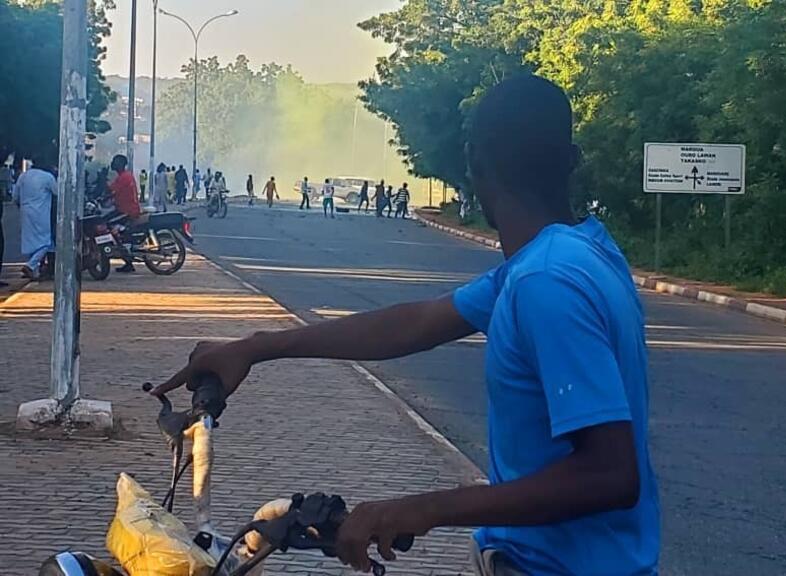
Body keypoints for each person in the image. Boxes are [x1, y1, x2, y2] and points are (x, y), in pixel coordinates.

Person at [151, 75, 658, 576]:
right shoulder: (573, 256)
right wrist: (256, 346)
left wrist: (424, 508)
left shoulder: (545, 280)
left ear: (474, 165)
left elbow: (610, 474)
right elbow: (416, 323)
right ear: (570, 161)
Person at [12, 161, 57, 280]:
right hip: (41, 213)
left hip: (25, 213)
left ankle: (34, 271)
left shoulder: (23, 176)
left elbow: (15, 197)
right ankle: (30, 265)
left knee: (31, 242)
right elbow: (57, 192)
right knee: (46, 242)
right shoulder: (47, 177)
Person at [109, 154, 146, 273]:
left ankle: (126, 257)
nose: (113, 163)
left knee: (110, 226)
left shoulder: (123, 177)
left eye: (115, 161)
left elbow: (111, 189)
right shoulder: (125, 176)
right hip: (126, 208)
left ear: (120, 164)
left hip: (127, 210)